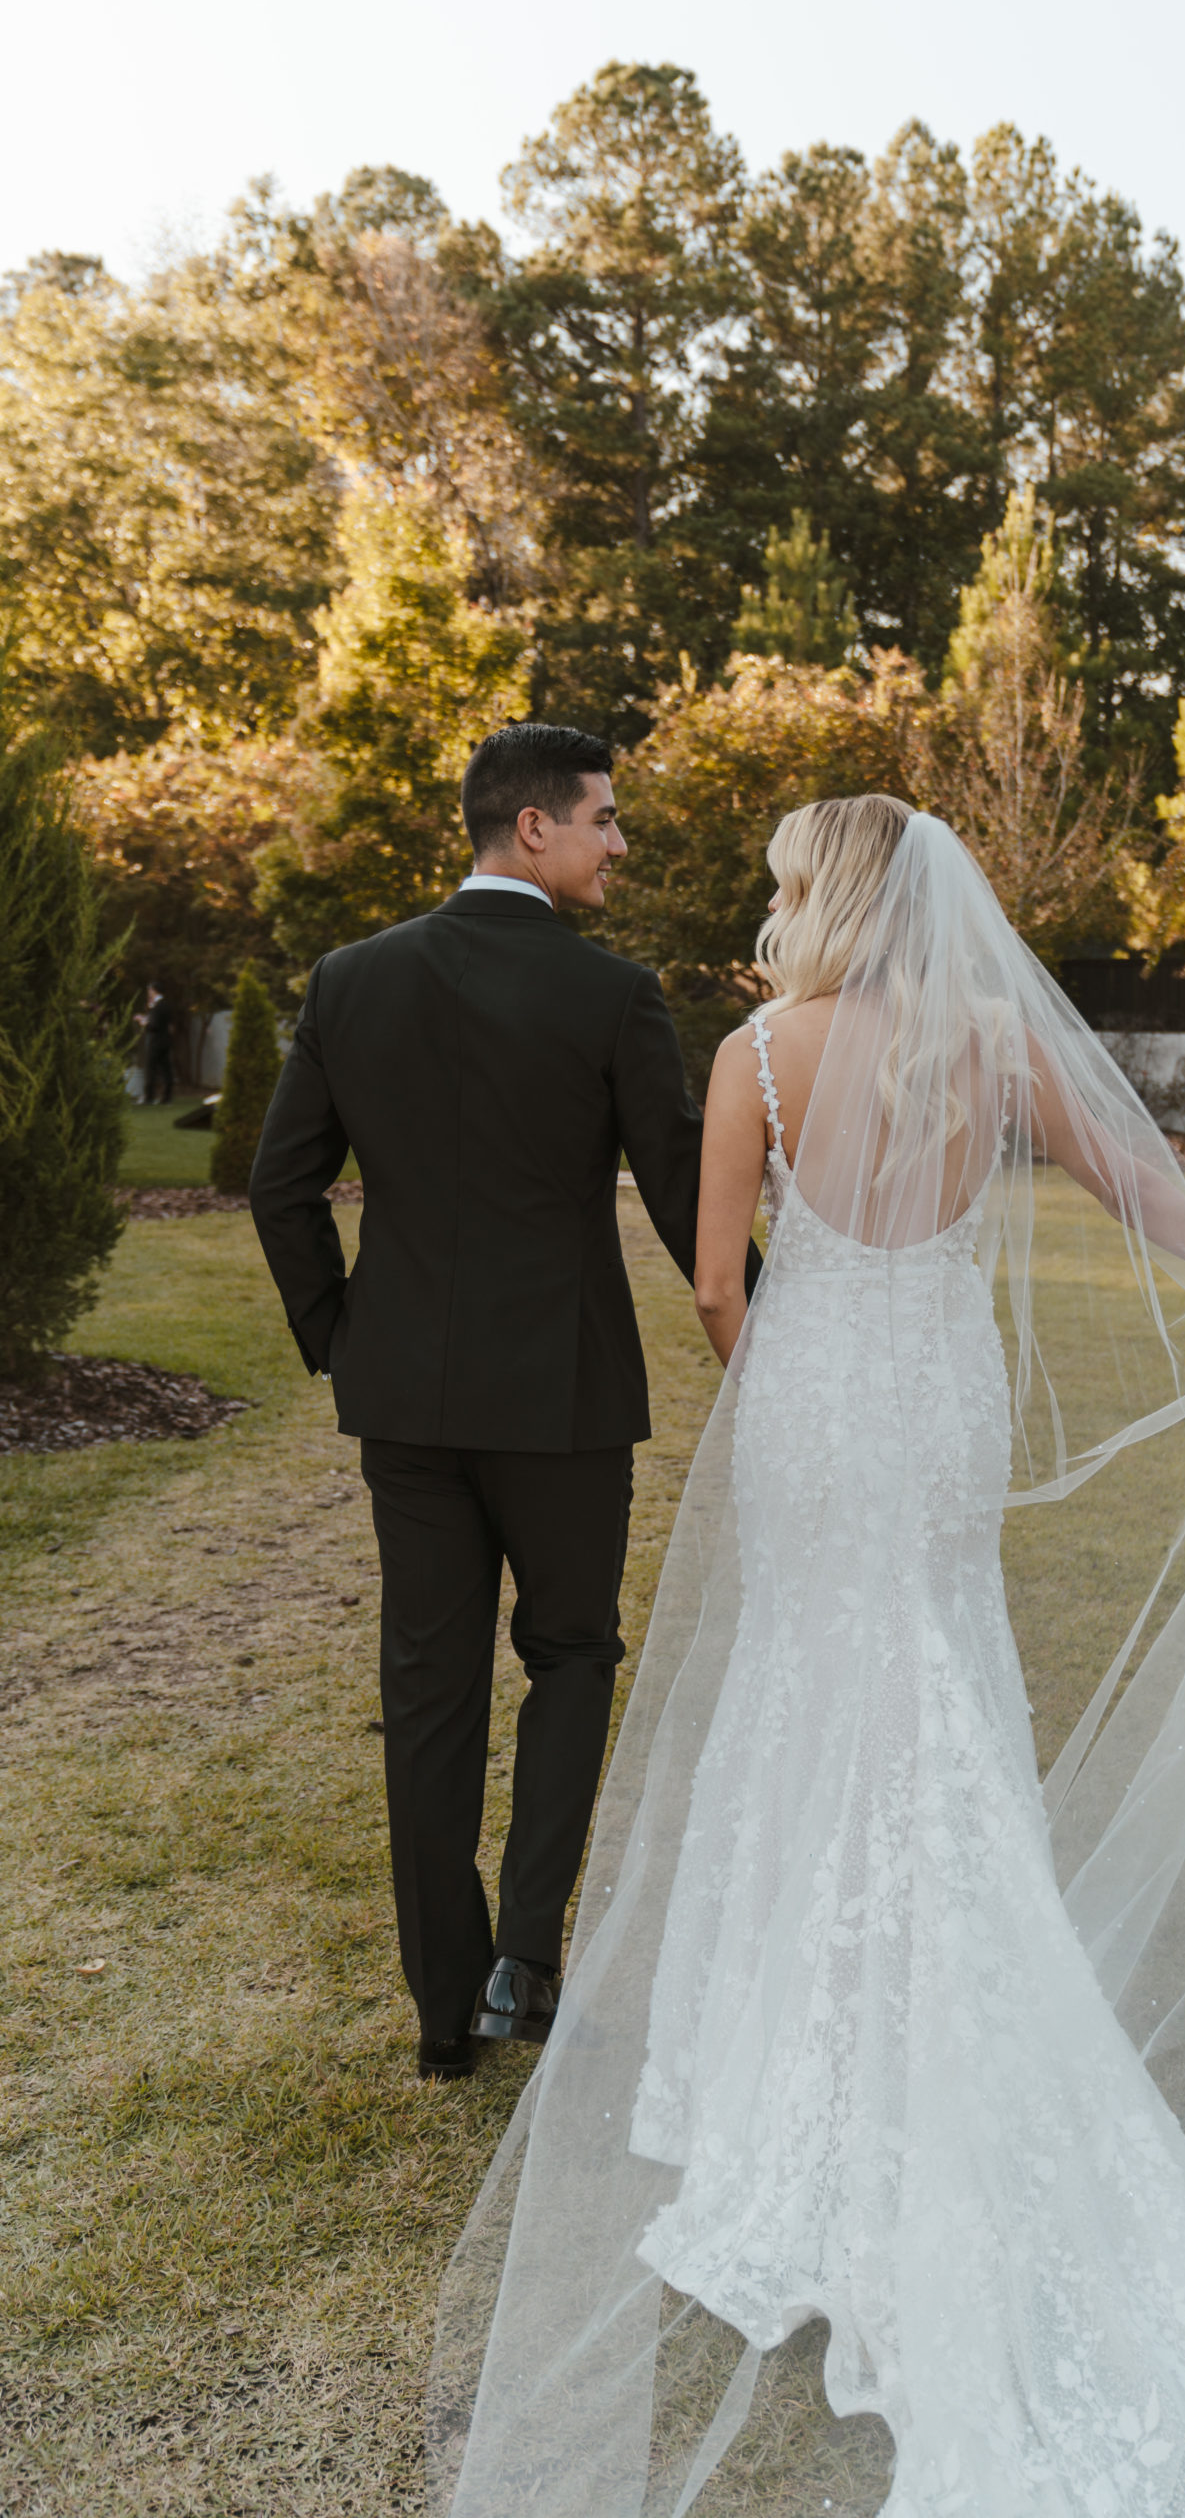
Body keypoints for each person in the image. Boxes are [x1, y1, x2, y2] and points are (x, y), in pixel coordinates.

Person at [433, 797, 1185, 2517]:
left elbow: (721, 1280)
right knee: (935, 1682)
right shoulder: (990, 1041)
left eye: (786, 872)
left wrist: (775, 1372)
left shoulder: (754, 1053)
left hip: (814, 1395)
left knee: (805, 1690)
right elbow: (1136, 1184)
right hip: (940, 1400)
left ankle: (788, 2062)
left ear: (824, 894)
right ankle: (928, 1991)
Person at [249, 722, 755, 2085]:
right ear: (532, 829)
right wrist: (775, 1322)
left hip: (402, 1398)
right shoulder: (611, 996)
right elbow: (672, 1183)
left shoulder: (350, 981)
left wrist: (340, 1340)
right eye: (603, 818)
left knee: (426, 1692)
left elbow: (277, 1185)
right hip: (565, 1398)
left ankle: (438, 2013)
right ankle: (523, 1959)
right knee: (573, 1657)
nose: (617, 842)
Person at [134, 984, 174, 1104]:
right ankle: (167, 1097)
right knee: (166, 1069)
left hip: (155, 1041)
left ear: (153, 990)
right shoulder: (166, 1005)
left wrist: (143, 1022)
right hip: (166, 1041)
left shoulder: (158, 1006)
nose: (148, 993)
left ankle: (149, 1096)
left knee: (151, 1068)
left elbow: (154, 1025)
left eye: (150, 990)